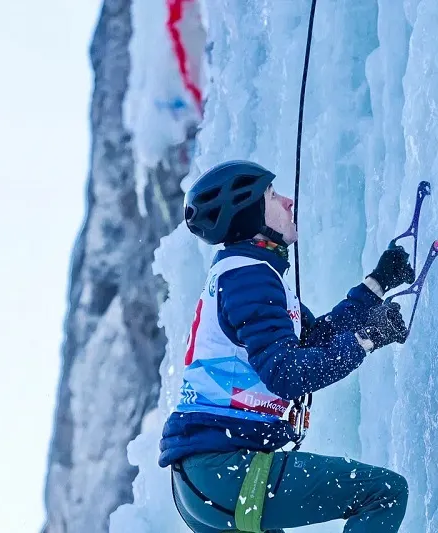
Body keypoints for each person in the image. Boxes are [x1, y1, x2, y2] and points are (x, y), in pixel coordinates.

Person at [160, 160, 415, 532]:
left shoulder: (247, 276)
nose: (289, 201)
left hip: (207, 483)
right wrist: (367, 339)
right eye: (272, 195)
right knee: (385, 493)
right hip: (225, 472)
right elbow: (286, 373)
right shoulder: (248, 277)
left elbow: (315, 340)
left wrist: (376, 286)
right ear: (249, 216)